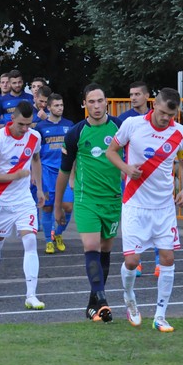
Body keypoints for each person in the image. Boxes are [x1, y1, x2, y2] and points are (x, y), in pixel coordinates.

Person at [107, 87, 183, 332]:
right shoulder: (132, 125)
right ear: (155, 105)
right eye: (163, 112)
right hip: (135, 204)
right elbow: (111, 152)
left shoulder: (180, 133)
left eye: (171, 115)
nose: (166, 118)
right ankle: (129, 298)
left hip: (164, 208)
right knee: (132, 261)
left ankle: (160, 316)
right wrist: (126, 168)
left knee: (168, 258)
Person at [54, 83, 123, 322]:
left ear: (106, 102)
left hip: (112, 200)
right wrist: (58, 206)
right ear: (84, 104)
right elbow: (64, 172)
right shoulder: (75, 133)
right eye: (91, 101)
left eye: (100, 101)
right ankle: (102, 301)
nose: (96, 106)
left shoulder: (120, 128)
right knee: (92, 246)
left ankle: (92, 305)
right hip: (86, 199)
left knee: (106, 249)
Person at [0, 99, 46, 308]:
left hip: (24, 199)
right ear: (12, 119)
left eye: (29, 124)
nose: (25, 129)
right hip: (0, 200)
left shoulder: (34, 137)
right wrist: (13, 176)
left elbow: (36, 159)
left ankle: (31, 295)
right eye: (21, 124)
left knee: (31, 241)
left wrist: (39, 188)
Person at [117, 81, 159, 277]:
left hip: (154, 177)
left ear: (147, 96)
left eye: (137, 94)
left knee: (158, 218)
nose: (133, 98)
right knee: (135, 219)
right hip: (131, 178)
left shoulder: (157, 117)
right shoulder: (124, 119)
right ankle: (137, 261)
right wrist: (123, 168)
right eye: (131, 94)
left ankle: (159, 261)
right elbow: (115, 147)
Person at [37, 93, 74, 254]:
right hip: (47, 173)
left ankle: (58, 234)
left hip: (64, 172)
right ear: (49, 107)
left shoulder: (69, 125)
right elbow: (36, 155)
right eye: (56, 105)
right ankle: (48, 241)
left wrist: (73, 176)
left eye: (61, 105)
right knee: (47, 207)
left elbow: (74, 152)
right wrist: (35, 176)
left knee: (68, 207)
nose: (60, 108)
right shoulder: (40, 127)